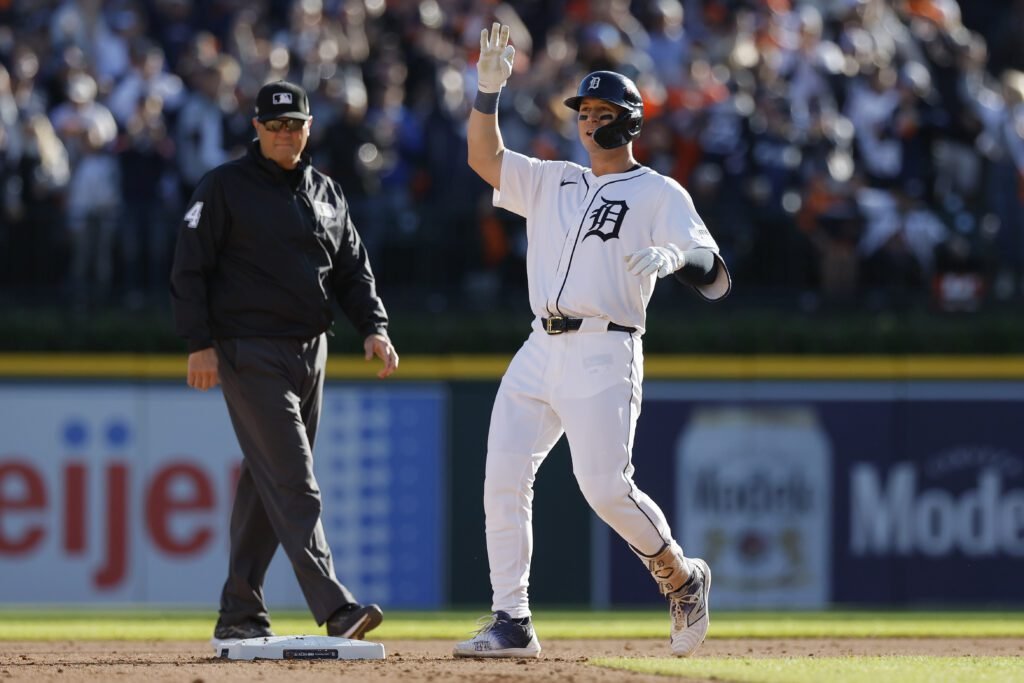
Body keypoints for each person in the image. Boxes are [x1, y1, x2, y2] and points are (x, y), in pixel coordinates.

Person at [453, 24, 731, 659]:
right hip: (539, 346)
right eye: (584, 112)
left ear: (630, 122)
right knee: (502, 476)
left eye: (603, 114)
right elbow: (484, 159)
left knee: (604, 486)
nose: (589, 122)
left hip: (606, 347)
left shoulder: (659, 191)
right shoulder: (555, 180)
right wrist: (486, 92)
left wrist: (678, 257)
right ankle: (512, 619)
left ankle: (682, 578)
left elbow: (715, 274)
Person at [169, 80, 399, 649]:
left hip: (310, 349)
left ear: (309, 127)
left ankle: (239, 611)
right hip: (248, 348)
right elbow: (188, 268)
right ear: (255, 128)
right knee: (295, 480)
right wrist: (199, 343)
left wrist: (374, 326)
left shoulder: (326, 191)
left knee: (264, 483)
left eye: (294, 124)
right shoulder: (223, 187)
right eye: (274, 126)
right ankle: (335, 607)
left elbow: (352, 268)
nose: (284, 134)